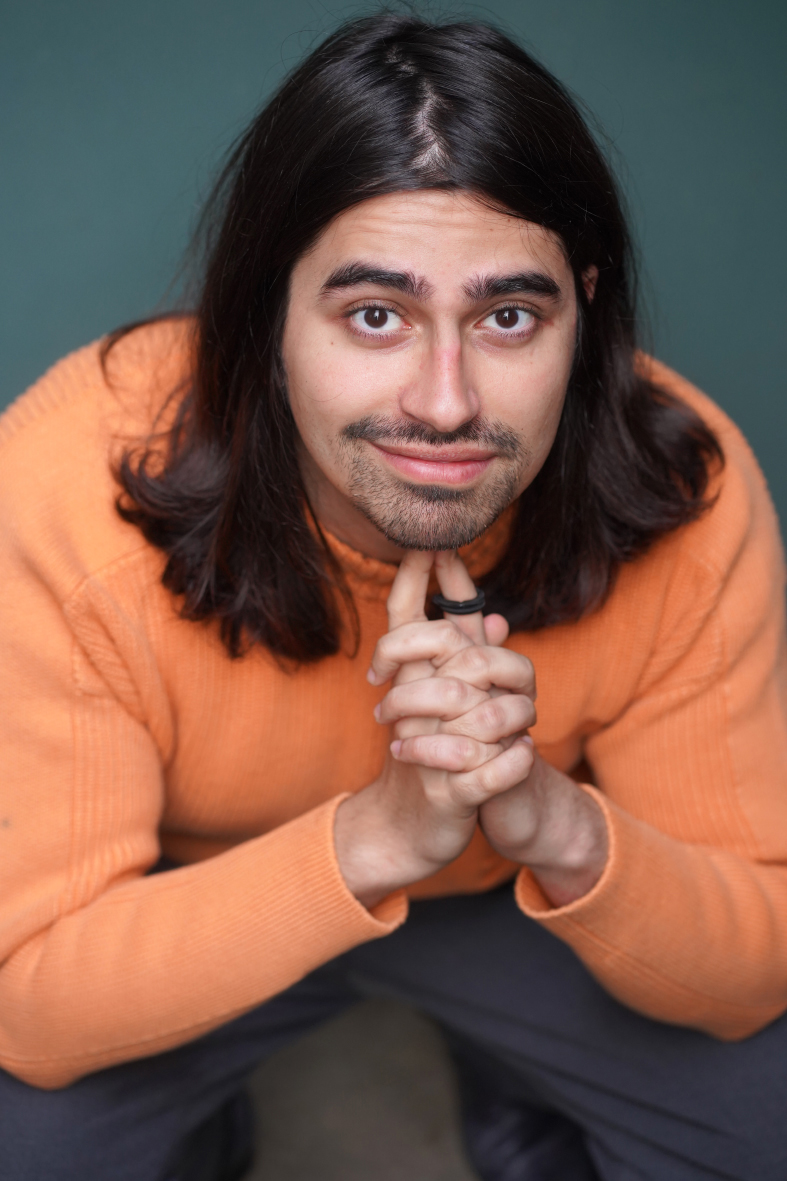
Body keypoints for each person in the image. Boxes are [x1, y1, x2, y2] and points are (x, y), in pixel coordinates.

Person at [1, 13, 786, 1180]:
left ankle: (516, 1089)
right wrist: (373, 837)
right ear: (265, 311)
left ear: (583, 310)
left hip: (503, 897)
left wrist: (555, 824)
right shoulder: (63, 485)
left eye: (508, 316)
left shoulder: (684, 491)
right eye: (375, 314)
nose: (445, 402)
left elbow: (755, 961)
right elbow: (28, 1000)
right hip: (188, 893)